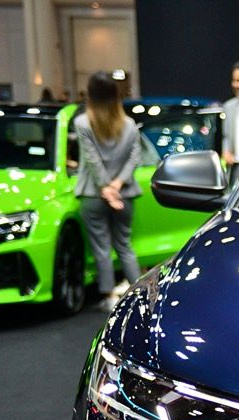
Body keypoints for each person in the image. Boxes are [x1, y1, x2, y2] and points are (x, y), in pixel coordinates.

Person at [73, 70, 143, 309]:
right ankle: (137, 294)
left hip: (93, 194)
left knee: (101, 247)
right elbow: (135, 157)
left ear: (90, 95)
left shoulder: (82, 123)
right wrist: (118, 185)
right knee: (125, 245)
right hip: (125, 194)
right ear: (116, 94)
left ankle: (109, 296)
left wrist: (105, 187)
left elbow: (91, 159)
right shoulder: (130, 125)